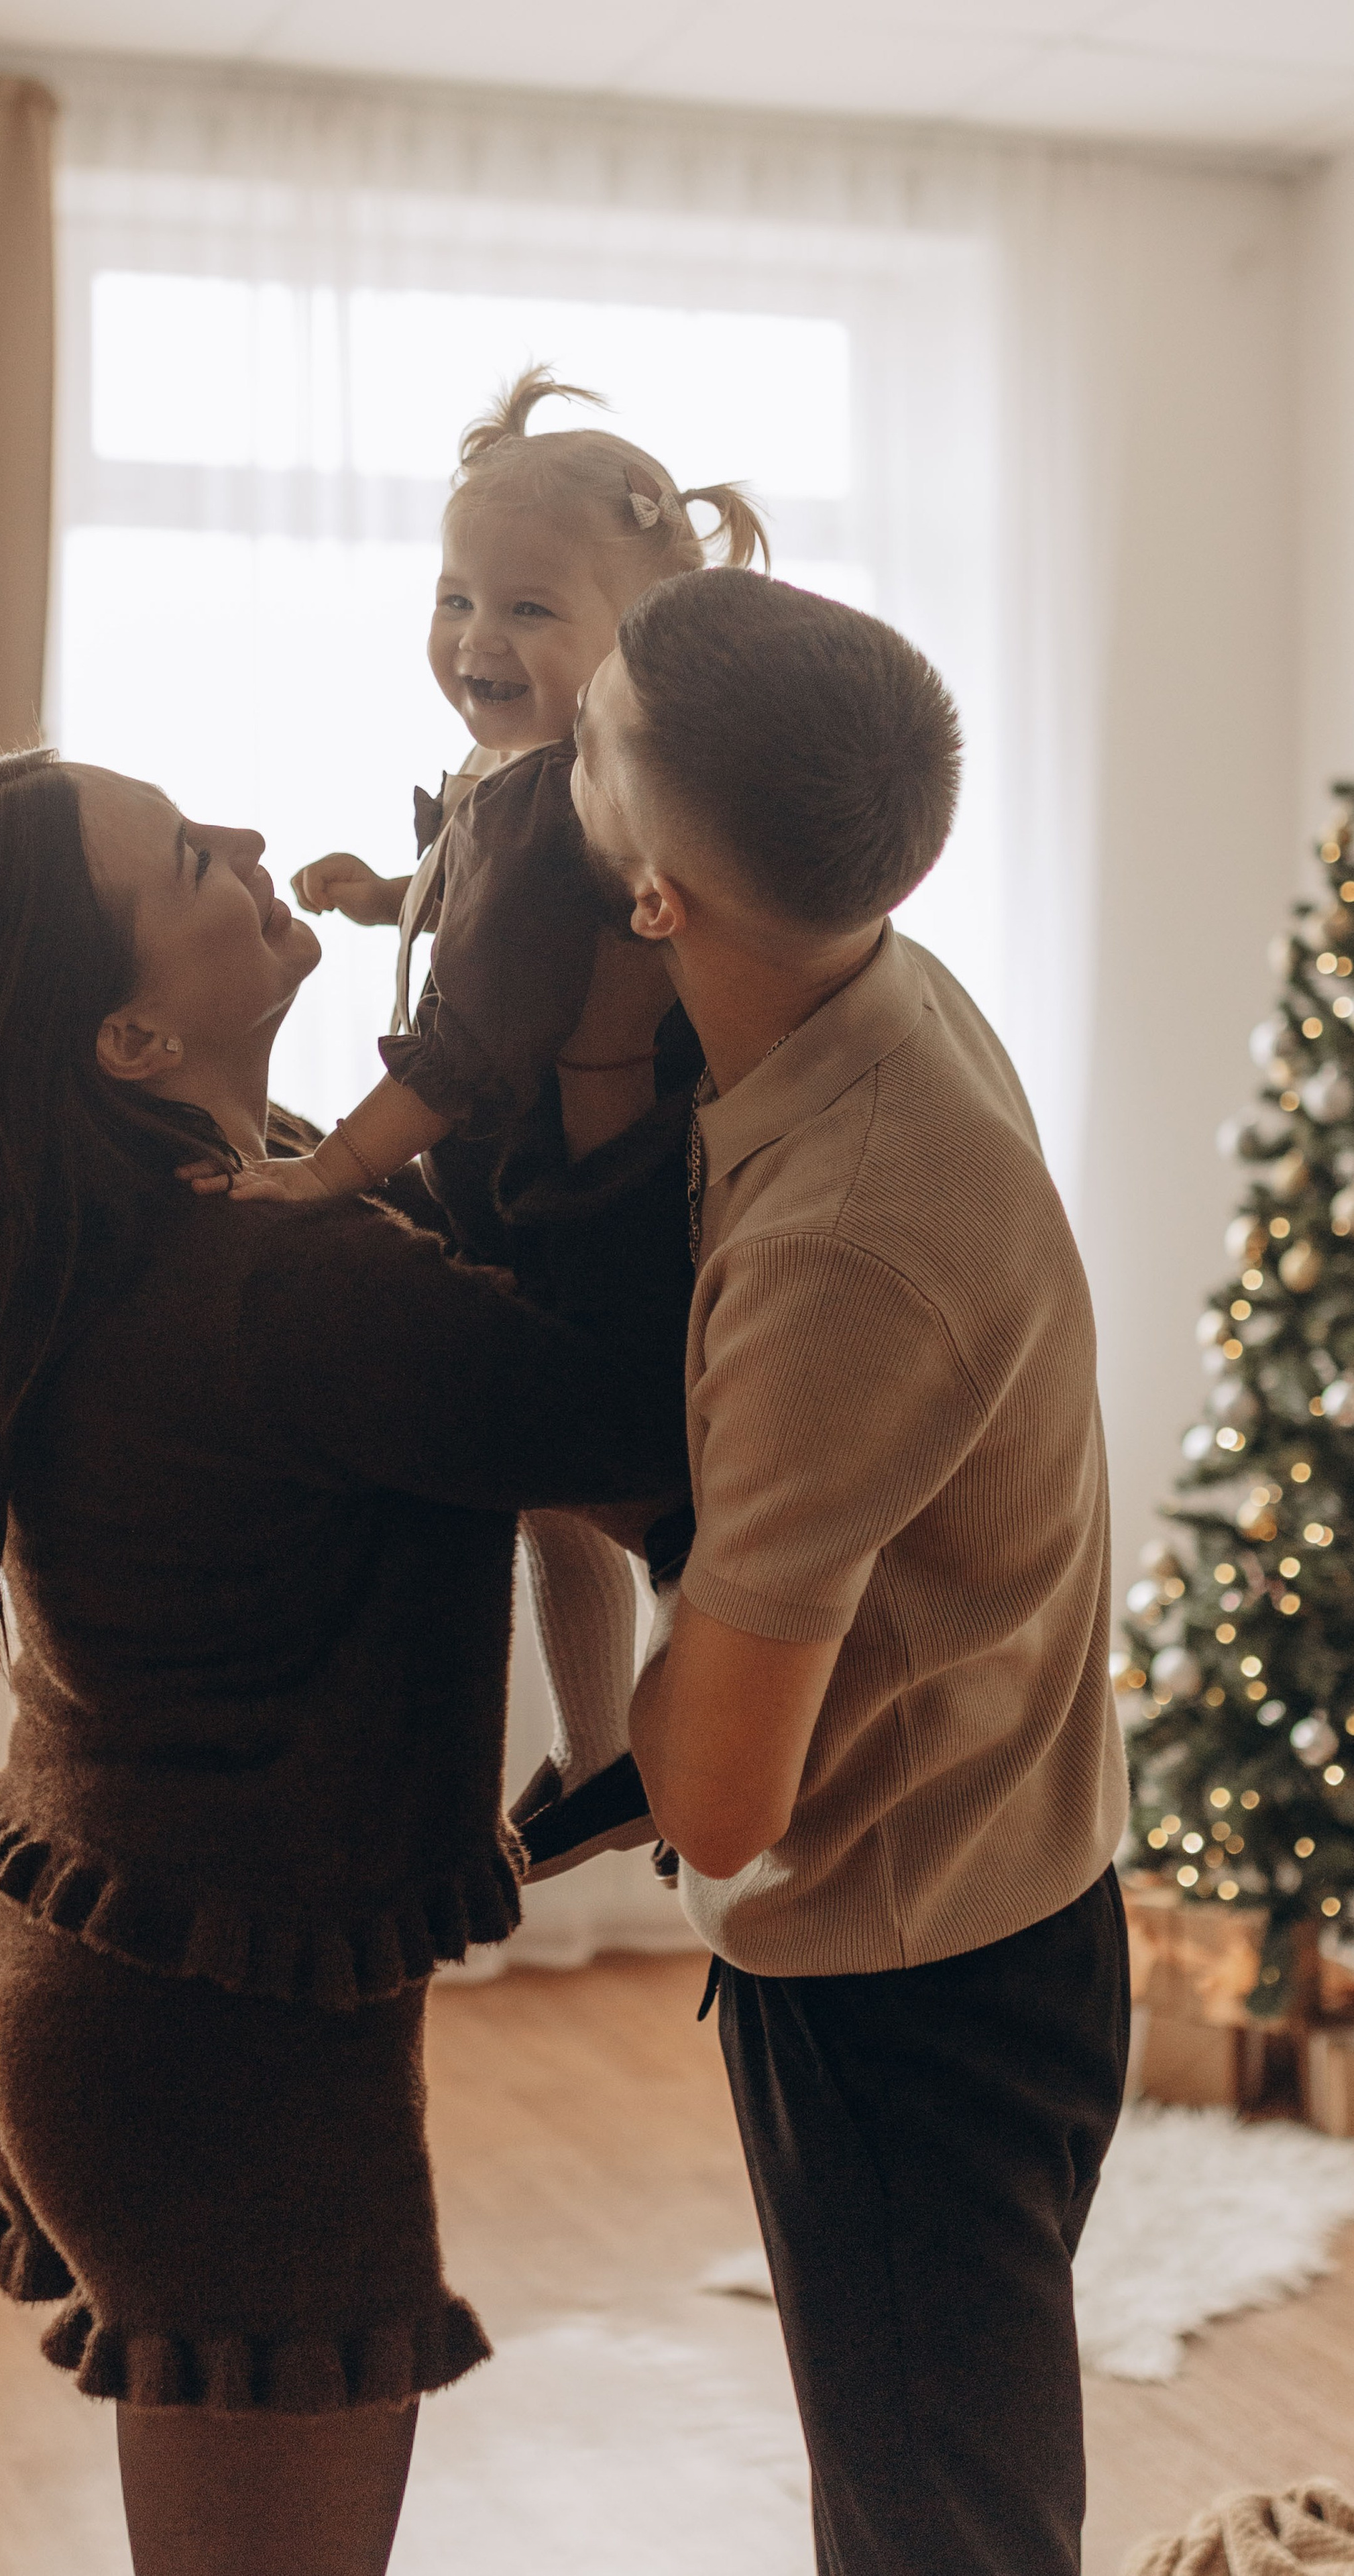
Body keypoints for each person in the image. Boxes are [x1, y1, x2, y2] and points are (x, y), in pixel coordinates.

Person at [0, 747, 689, 2576]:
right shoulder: (275, 1282)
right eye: (195, 855)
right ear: (126, 1042)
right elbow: (634, 1425)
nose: (259, 845)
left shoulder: (208, 1207)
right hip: (224, 2062)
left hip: (128, 1987)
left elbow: (471, 1296)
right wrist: (612, 1049)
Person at [571, 566, 1132, 2576]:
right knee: (930, 2492)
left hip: (912, 1981)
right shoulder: (869, 974)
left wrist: (603, 1520)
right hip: (1011, 1870)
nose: (562, 721)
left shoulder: (844, 1248)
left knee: (939, 2530)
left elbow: (721, 1794)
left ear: (661, 898)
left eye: (589, 732)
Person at [208, 366, 763, 1864]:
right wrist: (391, 891)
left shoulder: (543, 801)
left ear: (637, 644)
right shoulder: (525, 779)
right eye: (456, 596)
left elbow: (465, 1043)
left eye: (528, 611)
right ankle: (602, 1754)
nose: (473, 638)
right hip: (553, 1173)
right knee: (554, 1497)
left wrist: (332, 1170)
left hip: (583, 1195)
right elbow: (494, 918)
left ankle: (651, 1742)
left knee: (623, 1477)